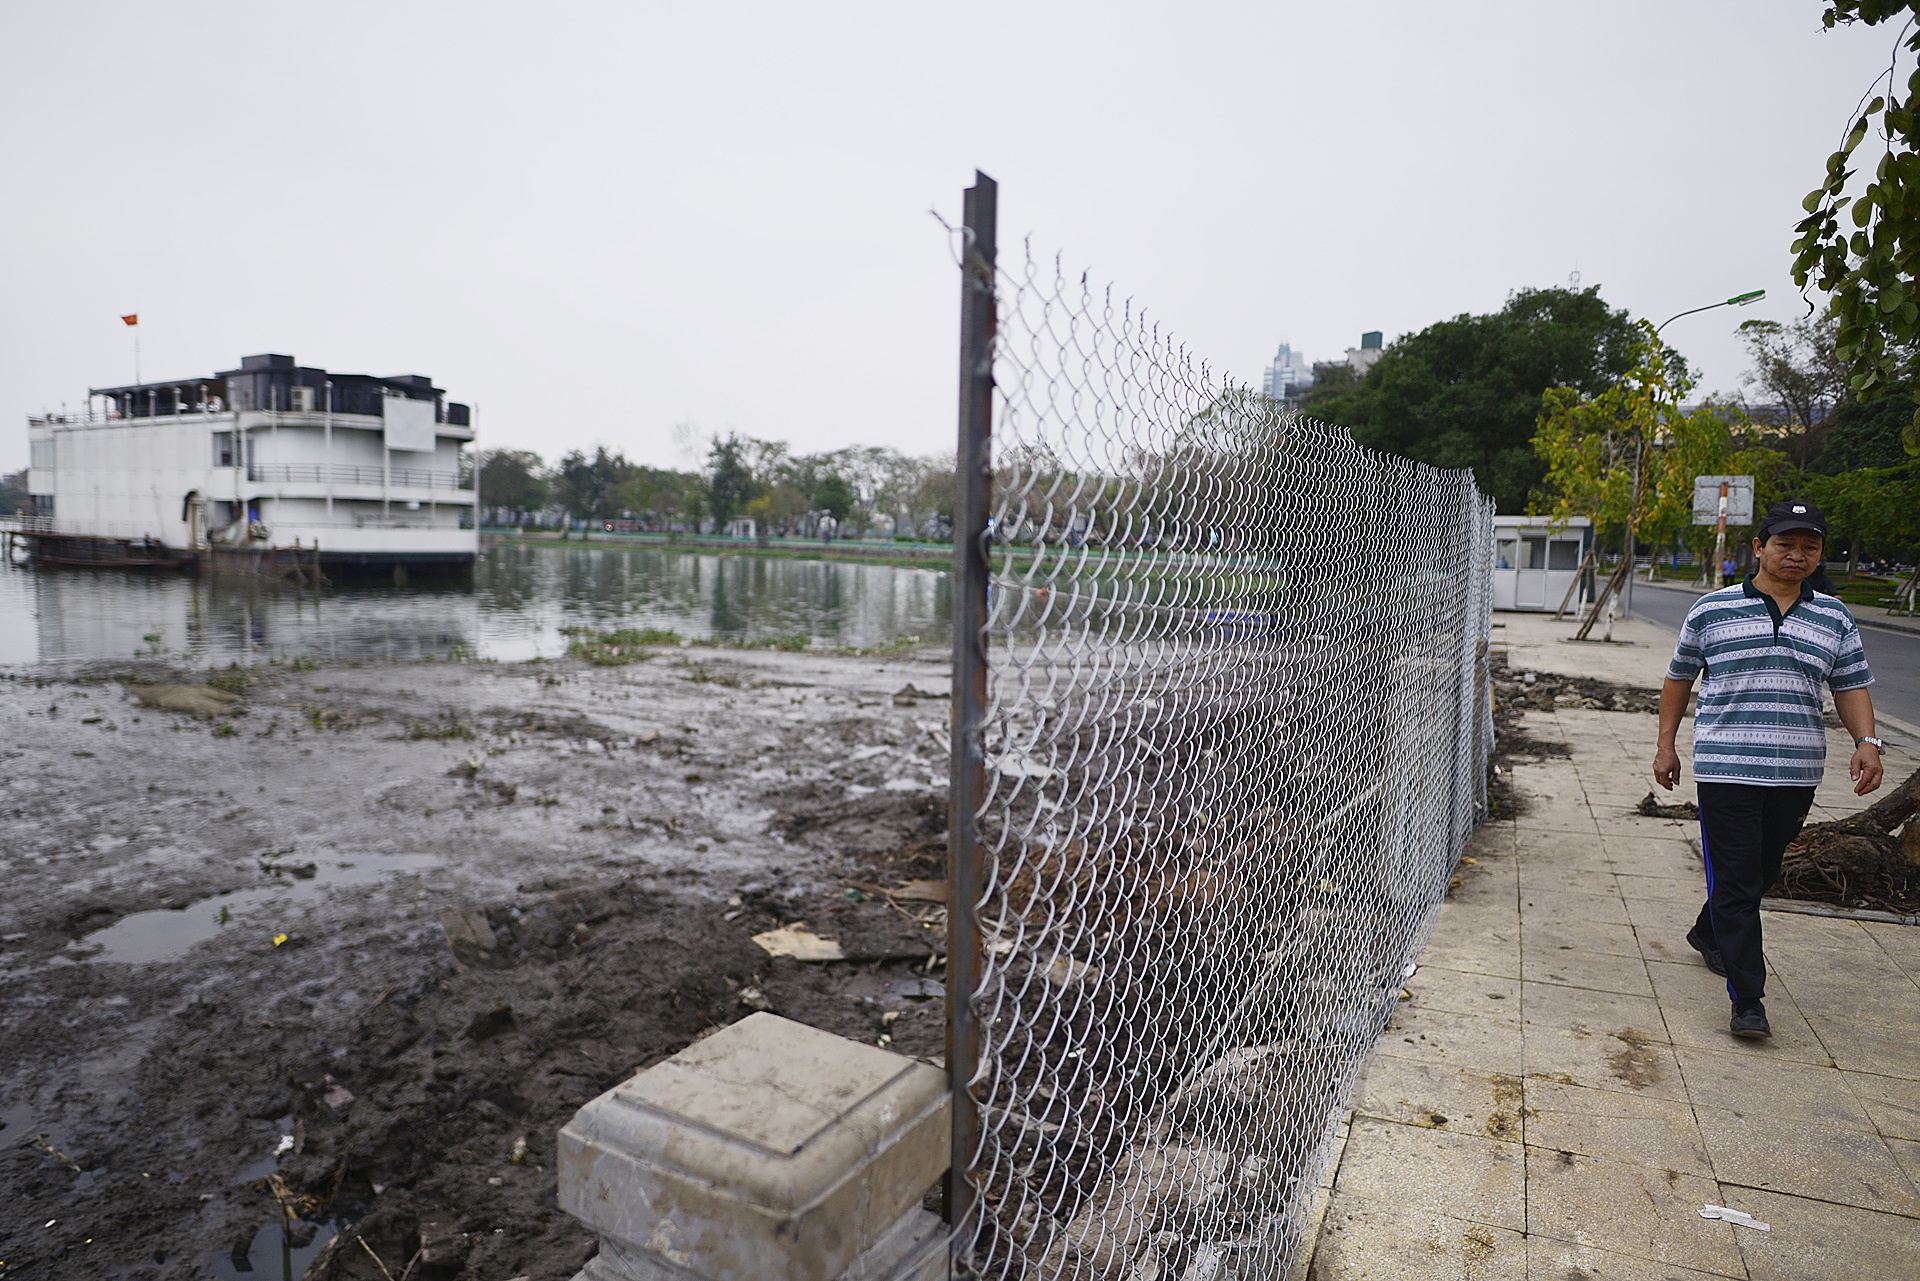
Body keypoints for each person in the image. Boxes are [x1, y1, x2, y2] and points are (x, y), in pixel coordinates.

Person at [1653, 499, 1884, 1039]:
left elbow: (1850, 684)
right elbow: (1677, 679)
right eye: (1785, 544)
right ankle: (1748, 999)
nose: (1797, 555)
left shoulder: (1834, 616)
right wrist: (1666, 746)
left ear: (1820, 553)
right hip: (1726, 765)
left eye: (1810, 546)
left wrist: (1866, 742)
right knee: (1736, 880)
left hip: (1797, 771)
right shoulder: (1711, 610)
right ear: (1759, 547)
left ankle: (1709, 933)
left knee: (1759, 873)